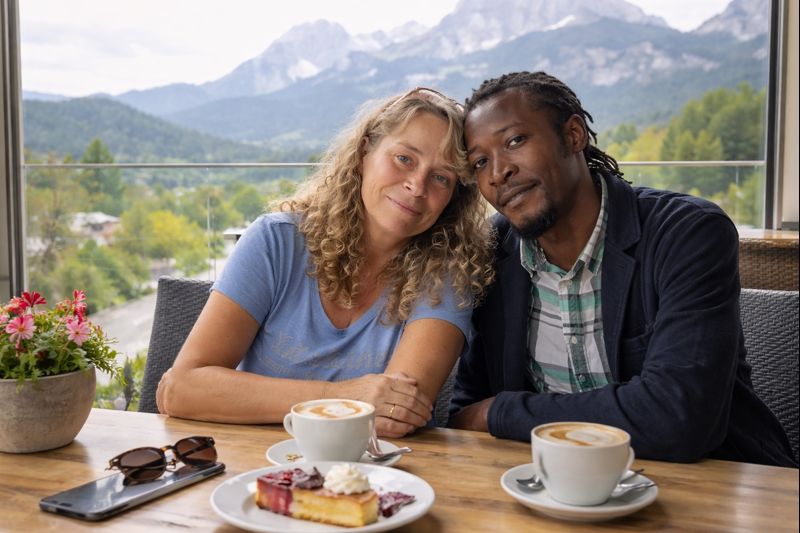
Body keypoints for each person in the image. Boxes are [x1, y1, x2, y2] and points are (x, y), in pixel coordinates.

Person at [449, 71, 796, 466]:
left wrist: (500, 413)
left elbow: (678, 419)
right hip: (558, 489)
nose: (497, 173)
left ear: (574, 135)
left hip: (723, 484)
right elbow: (464, 409)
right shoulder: (495, 253)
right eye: (479, 161)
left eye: (515, 141)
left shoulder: (687, 233)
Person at [157, 87, 493, 438]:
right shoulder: (277, 241)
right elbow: (179, 390)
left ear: (454, 198)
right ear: (366, 150)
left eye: (441, 177)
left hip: (373, 478)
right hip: (250, 470)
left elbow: (394, 417)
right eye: (404, 159)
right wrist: (345, 397)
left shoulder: (448, 272)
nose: (417, 185)